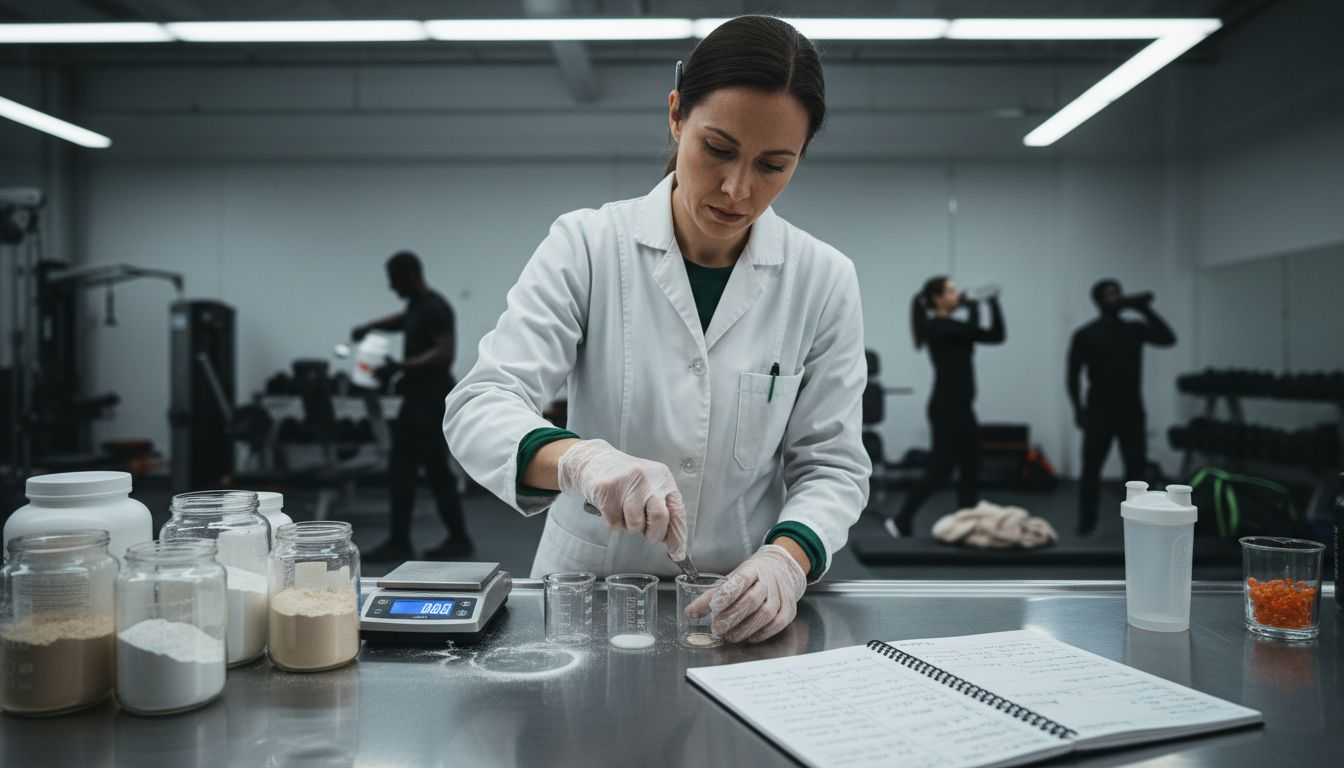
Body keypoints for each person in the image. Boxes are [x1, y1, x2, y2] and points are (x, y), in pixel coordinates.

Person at [443, 16, 869, 645]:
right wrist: (581, 462)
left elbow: (832, 466)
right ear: (676, 116)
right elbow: (479, 406)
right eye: (718, 148)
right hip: (586, 596)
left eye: (774, 165)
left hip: (735, 600)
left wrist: (786, 560)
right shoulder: (588, 245)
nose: (737, 189)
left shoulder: (823, 278)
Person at [352, 250, 474, 561]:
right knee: (428, 470)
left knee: (408, 468)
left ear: (409, 276)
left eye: (394, 281)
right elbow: (400, 321)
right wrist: (370, 326)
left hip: (429, 399)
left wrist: (401, 366)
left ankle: (405, 541)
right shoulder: (417, 307)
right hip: (419, 398)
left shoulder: (436, 307)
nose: (392, 288)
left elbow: (444, 353)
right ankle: (451, 538)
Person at [886, 277, 1005, 538]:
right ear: (938, 299)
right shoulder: (936, 327)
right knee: (941, 472)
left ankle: (967, 525)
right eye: (951, 291)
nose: (956, 294)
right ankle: (901, 520)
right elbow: (972, 330)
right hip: (946, 407)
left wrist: (993, 303)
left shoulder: (954, 326)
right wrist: (973, 305)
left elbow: (997, 336)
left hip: (963, 407)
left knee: (971, 467)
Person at [1067, 279, 1176, 536]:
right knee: (1091, 470)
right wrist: (1078, 410)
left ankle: (1139, 522)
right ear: (1098, 301)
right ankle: (1087, 521)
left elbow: (1168, 338)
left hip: (1131, 412)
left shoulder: (1135, 329)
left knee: (1135, 474)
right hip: (1098, 413)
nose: (1115, 297)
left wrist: (1143, 308)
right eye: (1108, 294)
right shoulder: (1085, 334)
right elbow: (1072, 376)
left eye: (1118, 293)